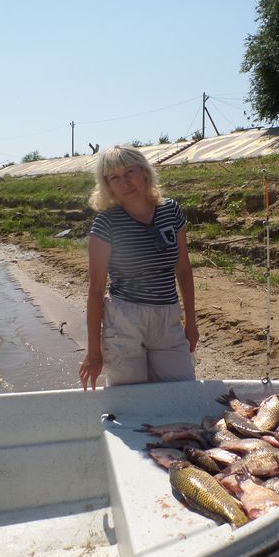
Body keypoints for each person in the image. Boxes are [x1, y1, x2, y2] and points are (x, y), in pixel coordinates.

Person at [78, 145, 199, 391]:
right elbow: (96, 289)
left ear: (144, 172)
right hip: (124, 320)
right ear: (107, 185)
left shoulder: (171, 211)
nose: (124, 182)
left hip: (167, 316)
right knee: (129, 399)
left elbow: (184, 271)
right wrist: (94, 352)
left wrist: (191, 323)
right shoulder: (106, 223)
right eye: (114, 177)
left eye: (129, 172)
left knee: (181, 391)